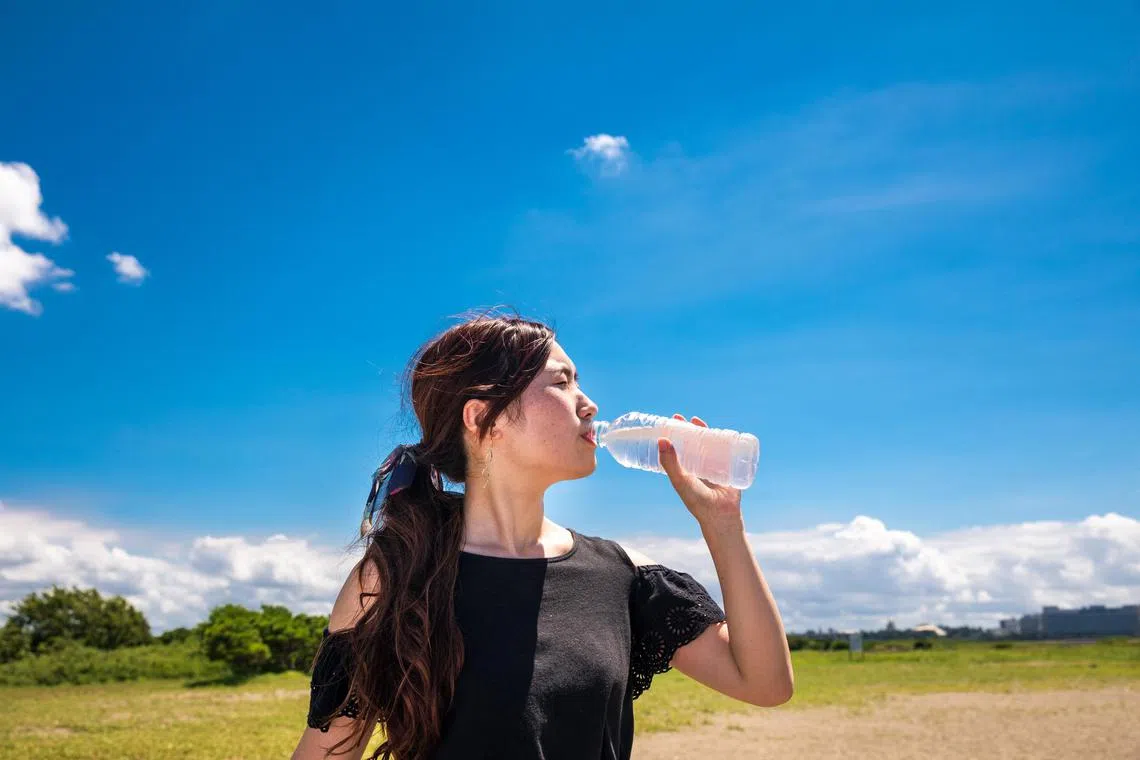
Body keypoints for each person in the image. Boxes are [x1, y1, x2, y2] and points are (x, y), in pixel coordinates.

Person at [291, 310, 793, 760]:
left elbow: (766, 683)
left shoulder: (623, 574)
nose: (589, 404)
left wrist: (723, 525)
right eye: (562, 383)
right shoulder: (394, 576)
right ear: (483, 418)